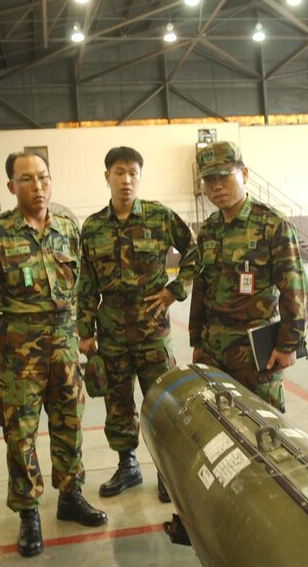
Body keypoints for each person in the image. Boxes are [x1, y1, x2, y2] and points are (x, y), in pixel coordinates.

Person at [0, 150, 107, 558]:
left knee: (68, 423)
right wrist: (1, 332)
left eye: (43, 177)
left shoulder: (66, 227)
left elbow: (80, 282)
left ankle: (70, 494)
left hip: (64, 348)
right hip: (19, 355)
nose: (38, 186)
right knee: (20, 435)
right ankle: (28, 511)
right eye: (26, 179)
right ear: (11, 187)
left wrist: (79, 329)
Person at [77, 146, 197, 503]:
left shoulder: (160, 216)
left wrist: (175, 290)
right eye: (118, 172)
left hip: (152, 330)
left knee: (161, 400)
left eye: (132, 173)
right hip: (111, 330)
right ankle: (127, 465)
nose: (126, 180)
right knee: (117, 402)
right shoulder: (93, 227)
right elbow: (86, 282)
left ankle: (165, 469)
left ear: (140, 177)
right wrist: (84, 331)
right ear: (107, 177)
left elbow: (196, 251)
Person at [189, 141, 308, 413]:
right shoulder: (208, 230)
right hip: (213, 350)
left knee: (265, 427)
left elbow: (296, 290)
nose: (217, 186)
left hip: (257, 352)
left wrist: (288, 343)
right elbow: (200, 289)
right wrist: (197, 341)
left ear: (243, 174)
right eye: (209, 180)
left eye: (224, 176)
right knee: (219, 424)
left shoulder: (272, 224)